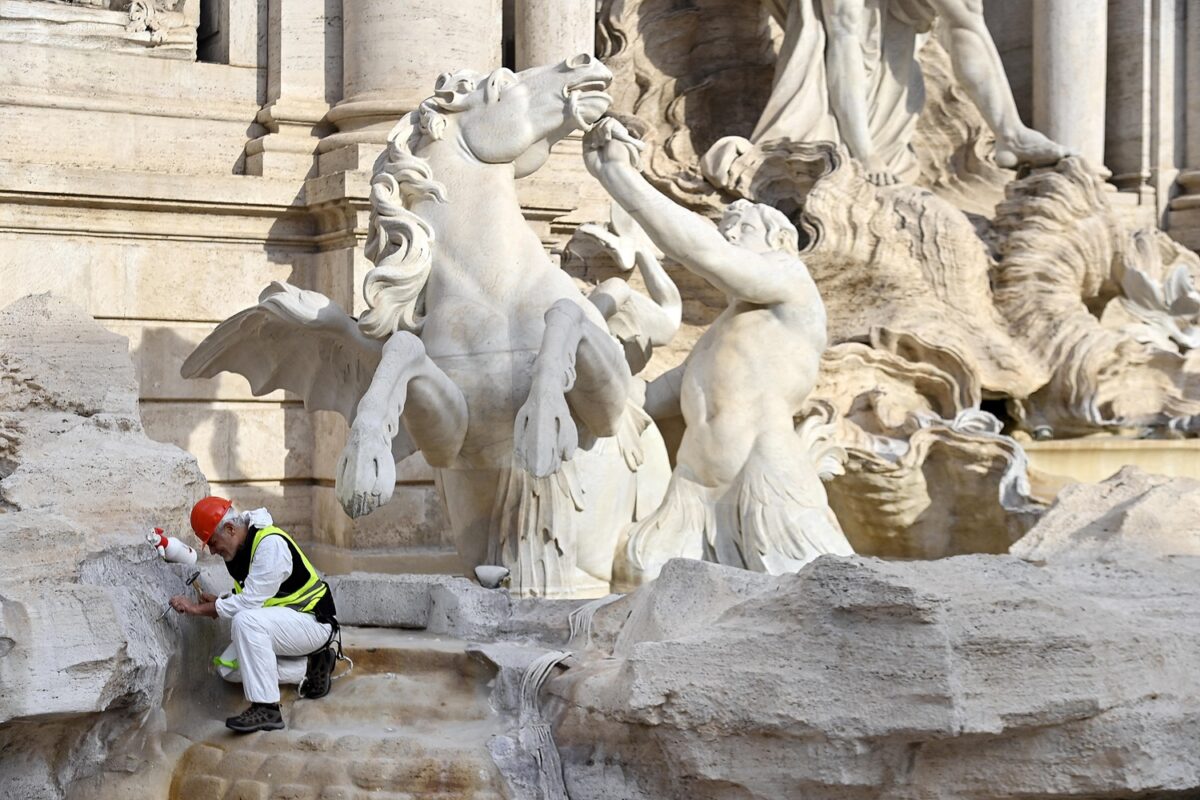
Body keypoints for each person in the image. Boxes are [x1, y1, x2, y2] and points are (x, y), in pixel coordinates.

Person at [583, 118, 855, 586]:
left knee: (810, 593)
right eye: (725, 228)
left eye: (740, 228)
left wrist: (621, 177)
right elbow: (653, 398)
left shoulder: (791, 285)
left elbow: (706, 254)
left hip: (764, 480)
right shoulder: (726, 332)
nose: (728, 237)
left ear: (778, 239)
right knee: (637, 576)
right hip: (694, 490)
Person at [169, 496, 339, 733]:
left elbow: (250, 602)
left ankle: (266, 708)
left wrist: (198, 609)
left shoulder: (270, 544)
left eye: (213, 542)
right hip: (287, 624)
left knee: (245, 621)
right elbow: (258, 597)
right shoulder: (239, 550)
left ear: (230, 529)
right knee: (228, 668)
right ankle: (312, 667)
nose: (212, 550)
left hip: (313, 622)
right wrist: (220, 601)